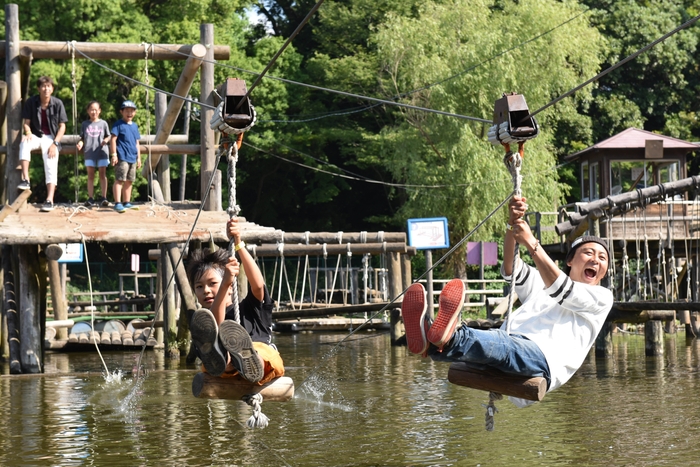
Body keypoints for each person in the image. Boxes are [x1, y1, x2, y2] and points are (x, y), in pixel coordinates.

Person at [402, 196, 613, 406]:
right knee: (494, 345)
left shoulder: (602, 297)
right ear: (570, 260)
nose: (595, 259)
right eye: (588, 253)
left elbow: (563, 290)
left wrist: (532, 242)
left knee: (499, 343)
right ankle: (429, 340)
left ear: (604, 271)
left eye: (602, 258)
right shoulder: (542, 283)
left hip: (543, 359)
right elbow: (512, 269)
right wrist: (512, 225)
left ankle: (450, 335)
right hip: (511, 348)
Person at [186, 217, 285, 384]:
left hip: (262, 361)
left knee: (258, 353)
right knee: (214, 341)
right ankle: (226, 359)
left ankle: (248, 361)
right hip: (224, 368)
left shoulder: (250, 308)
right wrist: (224, 283)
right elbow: (217, 322)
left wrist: (238, 244)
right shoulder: (204, 324)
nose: (206, 290)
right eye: (199, 287)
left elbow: (258, 286)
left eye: (212, 284)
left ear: (231, 286)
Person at [19, 76, 68, 212]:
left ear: (52, 89)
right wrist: (28, 133)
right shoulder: (31, 102)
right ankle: (26, 179)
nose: (46, 89)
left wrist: (55, 143)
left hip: (51, 138)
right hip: (35, 135)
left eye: (49, 86)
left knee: (51, 163)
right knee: (24, 144)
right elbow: (26, 123)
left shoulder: (58, 103)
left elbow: (62, 126)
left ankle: (49, 199)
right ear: (38, 88)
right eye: (43, 86)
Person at [76, 101, 111, 207]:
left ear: (99, 111)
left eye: (96, 109)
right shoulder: (84, 124)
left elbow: (109, 136)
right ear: (88, 111)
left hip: (102, 151)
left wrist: (106, 140)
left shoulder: (103, 123)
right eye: (91, 109)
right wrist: (80, 144)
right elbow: (82, 138)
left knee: (102, 174)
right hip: (89, 152)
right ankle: (91, 198)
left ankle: (104, 197)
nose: (93, 112)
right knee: (90, 175)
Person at [110, 100, 140, 213]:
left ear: (135, 113)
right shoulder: (118, 124)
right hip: (122, 156)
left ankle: (126, 202)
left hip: (133, 157)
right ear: (121, 112)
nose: (129, 113)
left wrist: (139, 158)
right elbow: (113, 139)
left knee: (130, 180)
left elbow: (137, 142)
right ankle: (117, 203)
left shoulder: (135, 126)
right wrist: (114, 155)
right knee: (119, 179)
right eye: (127, 111)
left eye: (132, 111)